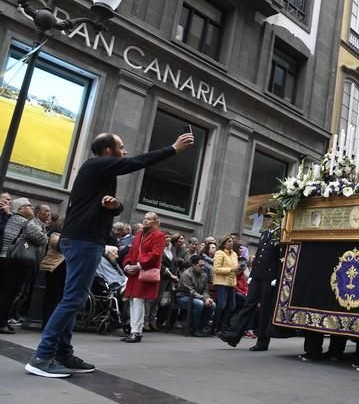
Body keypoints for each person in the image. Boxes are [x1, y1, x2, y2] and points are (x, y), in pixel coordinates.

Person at [25, 131, 193, 378]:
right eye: (121, 147)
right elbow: (135, 163)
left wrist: (116, 206)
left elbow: (112, 204)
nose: (124, 151)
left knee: (73, 298)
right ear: (107, 151)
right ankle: (42, 356)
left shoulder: (100, 173)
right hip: (84, 240)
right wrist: (173, 148)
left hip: (83, 239)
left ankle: (62, 353)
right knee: (73, 299)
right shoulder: (97, 164)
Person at [220, 208, 281, 351]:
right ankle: (233, 336)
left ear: (276, 220)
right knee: (248, 305)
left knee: (265, 309)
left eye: (270, 218)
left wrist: (276, 277)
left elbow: (281, 258)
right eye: (266, 218)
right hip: (258, 276)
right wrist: (252, 274)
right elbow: (259, 254)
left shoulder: (279, 235)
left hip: (269, 278)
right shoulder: (265, 234)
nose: (267, 221)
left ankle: (262, 342)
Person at [0, 198, 48, 334]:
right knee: (10, 293)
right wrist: (43, 229)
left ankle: (3, 321)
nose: (31, 208)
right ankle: (1, 322)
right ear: (20, 209)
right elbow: (42, 239)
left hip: (6, 258)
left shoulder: (11, 219)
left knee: (5, 291)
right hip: (18, 261)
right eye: (28, 206)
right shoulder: (24, 222)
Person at [121, 212, 166, 343]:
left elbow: (155, 254)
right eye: (145, 218)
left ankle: (136, 332)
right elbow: (131, 252)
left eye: (149, 219)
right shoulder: (139, 235)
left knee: (138, 300)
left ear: (155, 222)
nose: (145, 221)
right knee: (132, 300)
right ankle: (133, 330)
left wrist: (139, 265)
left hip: (144, 271)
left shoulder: (158, 235)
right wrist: (127, 264)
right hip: (135, 272)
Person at [177, 254, 216, 336]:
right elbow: (191, 291)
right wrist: (203, 299)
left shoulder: (204, 275)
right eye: (200, 265)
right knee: (199, 303)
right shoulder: (186, 274)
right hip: (184, 297)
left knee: (212, 305)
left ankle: (201, 328)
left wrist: (207, 298)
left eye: (203, 266)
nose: (202, 268)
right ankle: (194, 329)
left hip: (197, 297)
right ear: (194, 265)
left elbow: (205, 290)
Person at [211, 235, 239, 335]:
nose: (231, 243)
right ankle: (214, 326)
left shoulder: (234, 254)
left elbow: (235, 268)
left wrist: (238, 270)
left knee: (232, 306)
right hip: (221, 281)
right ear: (224, 243)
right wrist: (231, 270)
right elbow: (216, 269)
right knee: (222, 304)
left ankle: (223, 326)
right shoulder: (219, 253)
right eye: (229, 241)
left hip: (231, 282)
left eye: (232, 241)